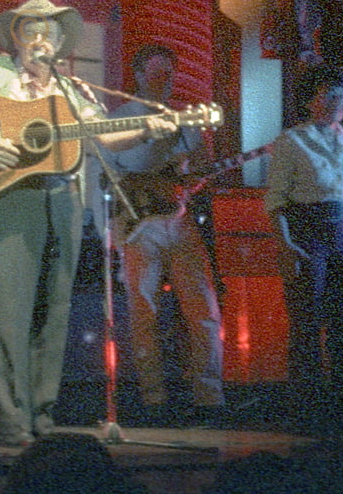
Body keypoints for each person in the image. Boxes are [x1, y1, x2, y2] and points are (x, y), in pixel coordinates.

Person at [0, 0, 175, 446]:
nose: (40, 40)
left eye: (49, 33)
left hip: (65, 200)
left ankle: (44, 418)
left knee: (56, 313)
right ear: (15, 39)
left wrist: (151, 127)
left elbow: (107, 141)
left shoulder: (73, 91)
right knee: (12, 313)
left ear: (59, 42)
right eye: (30, 31)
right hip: (12, 199)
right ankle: (13, 422)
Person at [103, 44, 224, 420]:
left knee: (203, 308)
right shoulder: (121, 118)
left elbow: (200, 172)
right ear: (138, 76)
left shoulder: (185, 120)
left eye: (168, 74)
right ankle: (152, 398)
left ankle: (210, 398)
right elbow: (106, 176)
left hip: (179, 219)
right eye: (156, 74)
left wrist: (189, 181)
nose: (164, 81)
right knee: (145, 313)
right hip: (139, 228)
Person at [264, 65, 343, 413]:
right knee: (307, 321)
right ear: (310, 100)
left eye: (341, 95)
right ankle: (306, 405)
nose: (337, 101)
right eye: (328, 94)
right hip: (306, 234)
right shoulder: (291, 141)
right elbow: (277, 200)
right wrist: (285, 244)